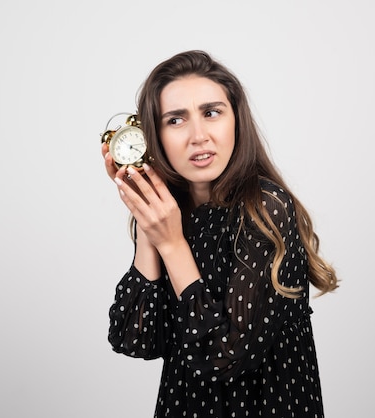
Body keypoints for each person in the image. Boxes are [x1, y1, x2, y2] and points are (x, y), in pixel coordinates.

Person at [101, 50, 339, 418]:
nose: (199, 136)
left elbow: (224, 358)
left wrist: (172, 243)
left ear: (235, 121)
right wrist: (145, 205)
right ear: (154, 136)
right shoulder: (170, 214)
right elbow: (137, 339)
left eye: (211, 113)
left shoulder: (265, 210)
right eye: (176, 120)